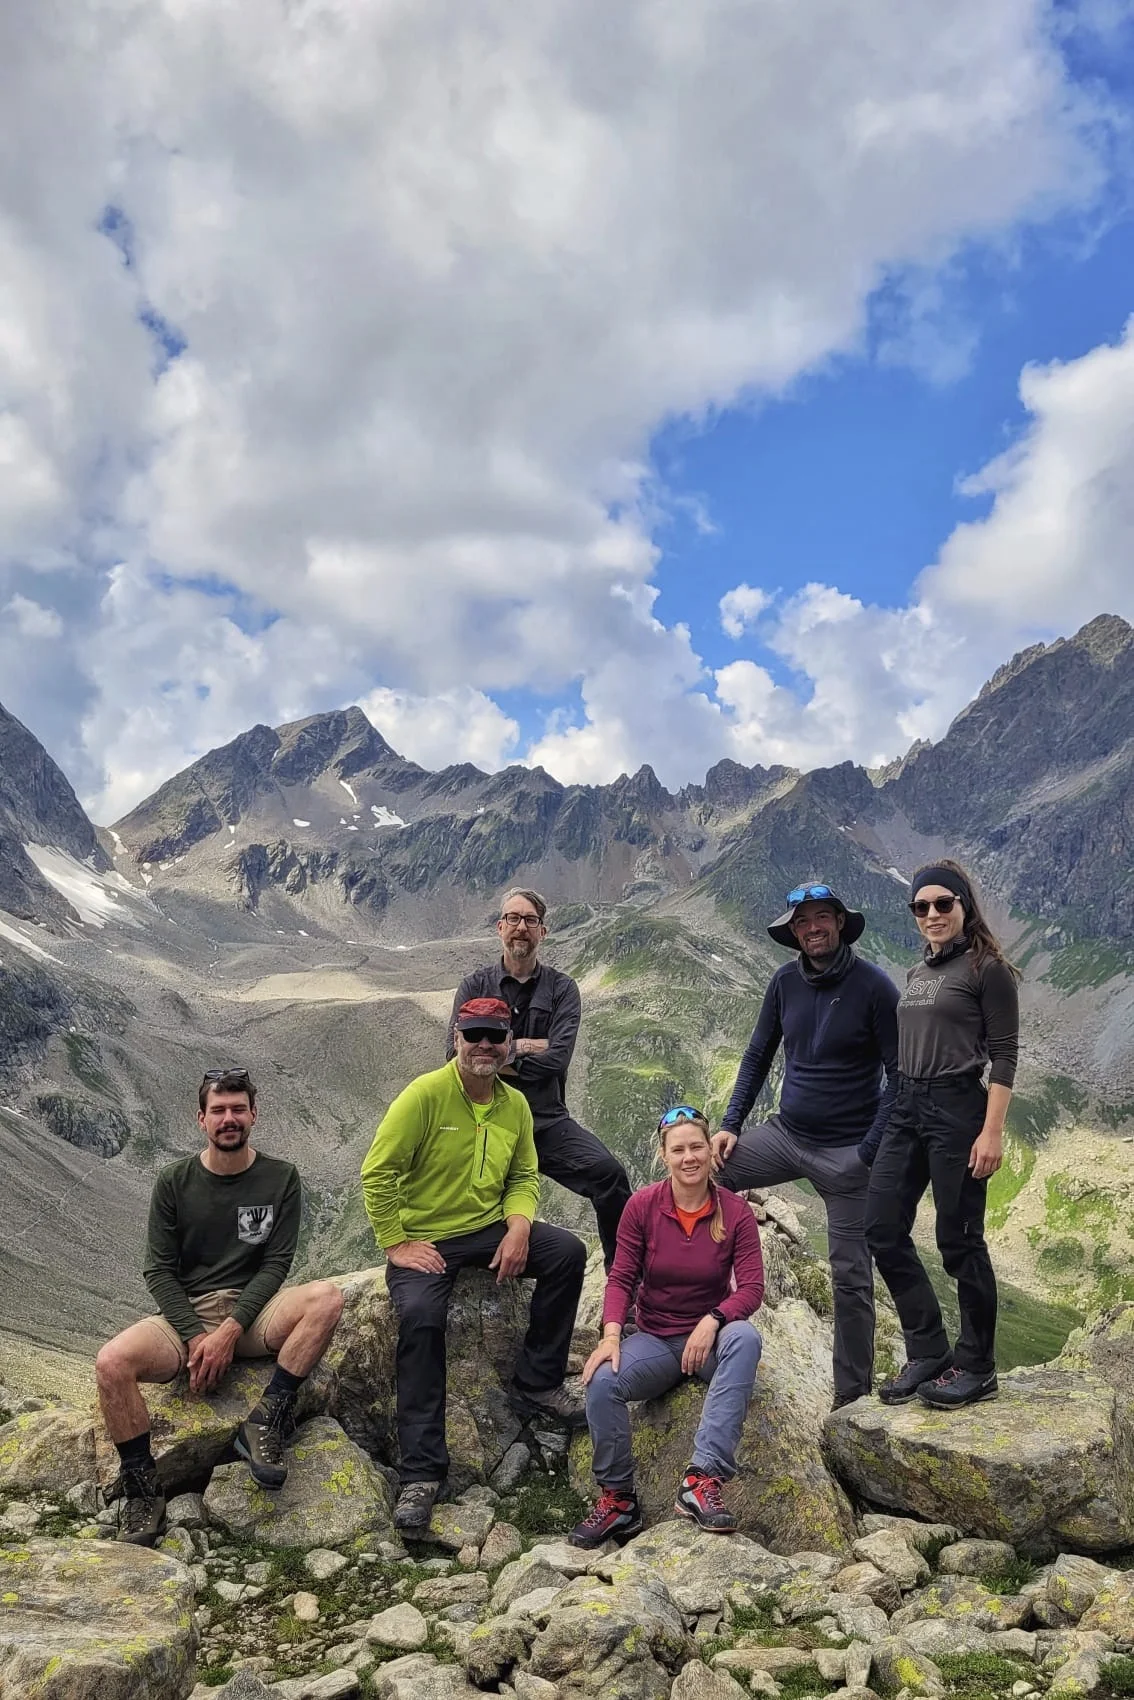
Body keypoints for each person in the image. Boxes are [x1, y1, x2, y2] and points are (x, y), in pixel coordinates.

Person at [363, 996, 588, 1535]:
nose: (484, 1046)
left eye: (494, 1036)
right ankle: (421, 1473)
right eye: (474, 1036)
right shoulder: (424, 1096)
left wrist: (518, 1226)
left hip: (488, 1229)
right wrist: (396, 1244)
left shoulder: (515, 1105)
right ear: (457, 1040)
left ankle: (537, 1382)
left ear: (509, 1044)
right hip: (429, 1237)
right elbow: (377, 1172)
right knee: (420, 1319)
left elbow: (524, 1176)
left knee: (568, 1254)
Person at [95, 1069, 345, 1546]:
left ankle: (264, 1421)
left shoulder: (281, 1178)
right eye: (218, 1111)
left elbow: (275, 1264)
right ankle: (143, 1490)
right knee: (111, 1363)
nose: (229, 1119)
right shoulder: (174, 1181)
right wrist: (195, 1337)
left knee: (327, 1299)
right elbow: (158, 1271)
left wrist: (230, 1331)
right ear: (201, 1119)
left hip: (253, 1313)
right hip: (184, 1314)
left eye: (237, 1109)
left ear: (253, 1115)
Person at [711, 883, 899, 1409]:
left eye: (822, 917)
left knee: (852, 1277)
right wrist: (730, 1124)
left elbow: (901, 1076)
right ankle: (686, 1320)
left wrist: (867, 1153)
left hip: (848, 1153)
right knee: (703, 1175)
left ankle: (851, 1399)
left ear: (840, 923)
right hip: (785, 1134)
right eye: (802, 921)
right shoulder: (783, 982)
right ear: (792, 932)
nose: (813, 928)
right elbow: (756, 1058)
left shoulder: (875, 987)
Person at [862, 860, 1019, 1410]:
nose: (931, 914)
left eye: (942, 904)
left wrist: (991, 1131)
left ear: (963, 906)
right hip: (908, 1105)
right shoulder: (918, 973)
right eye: (920, 907)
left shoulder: (987, 969)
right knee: (880, 1226)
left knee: (959, 1240)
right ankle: (928, 1349)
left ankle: (977, 1365)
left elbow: (1004, 1056)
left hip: (958, 1107)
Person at [569, 1106, 764, 1548]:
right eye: (678, 1149)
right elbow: (620, 1277)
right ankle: (619, 1502)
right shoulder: (642, 1207)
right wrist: (612, 1334)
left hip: (709, 1341)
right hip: (655, 1339)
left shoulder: (734, 1211)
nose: (689, 1157)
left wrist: (713, 1321)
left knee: (745, 1338)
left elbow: (751, 1288)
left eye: (697, 1146)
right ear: (664, 1156)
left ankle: (702, 1481)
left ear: (711, 1152)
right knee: (602, 1381)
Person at [448, 888, 631, 1270]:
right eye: (513, 919)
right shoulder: (473, 986)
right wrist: (527, 1046)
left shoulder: (563, 989)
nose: (521, 928)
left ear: (542, 932)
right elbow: (455, 1055)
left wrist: (497, 1054)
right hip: (484, 1122)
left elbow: (556, 1059)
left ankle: (623, 1281)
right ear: (500, 928)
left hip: (544, 1120)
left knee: (609, 1176)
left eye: (530, 921)